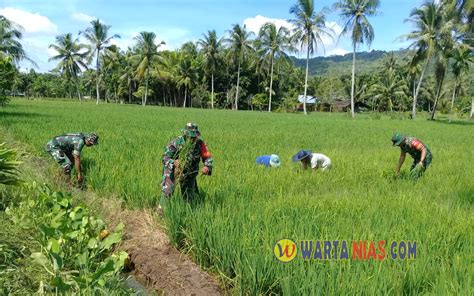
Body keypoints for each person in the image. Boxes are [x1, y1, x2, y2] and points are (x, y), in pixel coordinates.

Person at [160, 123, 213, 209]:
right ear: (185, 134)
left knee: (189, 194)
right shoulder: (176, 142)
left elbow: (207, 156)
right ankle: (161, 211)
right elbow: (165, 158)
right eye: (189, 137)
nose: (192, 139)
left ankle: (188, 211)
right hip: (173, 170)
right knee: (168, 190)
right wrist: (173, 162)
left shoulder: (200, 144)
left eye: (193, 137)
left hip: (189, 172)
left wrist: (207, 166)